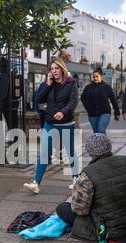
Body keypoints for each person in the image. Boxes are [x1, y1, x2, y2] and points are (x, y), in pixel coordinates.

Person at [19, 133, 126, 242]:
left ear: (90, 152)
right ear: (109, 147)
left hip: (110, 229)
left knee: (63, 208)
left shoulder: (88, 174)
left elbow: (80, 209)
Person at [23, 58, 79, 194]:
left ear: (62, 69)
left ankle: (76, 179)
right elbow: (39, 100)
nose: (54, 71)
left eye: (56, 68)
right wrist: (48, 84)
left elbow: (73, 102)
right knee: (44, 153)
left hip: (66, 123)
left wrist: (62, 112)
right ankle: (36, 183)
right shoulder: (48, 84)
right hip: (50, 123)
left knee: (70, 151)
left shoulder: (71, 83)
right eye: (52, 69)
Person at [81, 68, 120, 134]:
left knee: (101, 130)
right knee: (96, 133)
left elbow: (113, 100)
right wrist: (88, 108)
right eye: (94, 77)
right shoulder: (88, 87)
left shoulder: (107, 87)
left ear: (101, 76)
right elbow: (82, 98)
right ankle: (104, 144)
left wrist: (117, 112)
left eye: (97, 76)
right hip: (92, 114)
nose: (95, 78)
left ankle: (103, 144)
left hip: (105, 113)